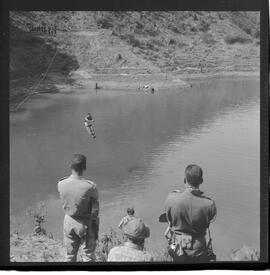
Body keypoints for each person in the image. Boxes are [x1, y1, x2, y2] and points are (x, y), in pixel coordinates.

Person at [164, 164, 217, 263]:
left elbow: (169, 219)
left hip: (177, 246)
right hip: (198, 248)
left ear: (185, 180)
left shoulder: (171, 198)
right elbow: (209, 221)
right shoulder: (209, 204)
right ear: (201, 181)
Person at [58, 154, 99, 262]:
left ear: (70, 166)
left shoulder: (61, 183)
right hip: (85, 223)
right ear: (85, 168)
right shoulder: (90, 187)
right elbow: (96, 203)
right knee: (88, 256)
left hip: (68, 220)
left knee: (70, 256)